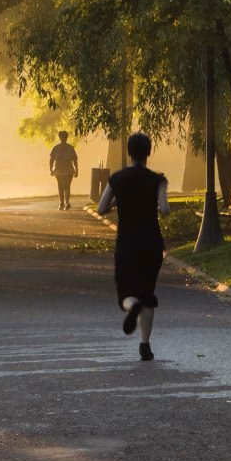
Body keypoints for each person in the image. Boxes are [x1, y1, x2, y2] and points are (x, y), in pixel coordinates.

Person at [97, 132, 169, 361]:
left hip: (127, 244)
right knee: (147, 293)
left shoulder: (117, 179)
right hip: (151, 244)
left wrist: (119, 200)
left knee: (126, 294)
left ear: (129, 152)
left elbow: (101, 208)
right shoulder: (157, 179)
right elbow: (165, 209)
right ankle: (145, 346)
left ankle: (132, 306)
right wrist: (155, 206)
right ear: (149, 152)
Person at [49, 130, 79, 210]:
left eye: (64, 137)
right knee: (60, 186)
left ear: (66, 138)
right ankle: (62, 203)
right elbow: (51, 159)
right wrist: (51, 169)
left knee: (67, 186)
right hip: (58, 170)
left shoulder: (70, 148)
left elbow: (75, 160)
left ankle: (66, 203)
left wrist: (77, 171)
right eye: (62, 137)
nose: (63, 138)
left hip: (69, 170)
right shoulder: (56, 148)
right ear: (60, 138)